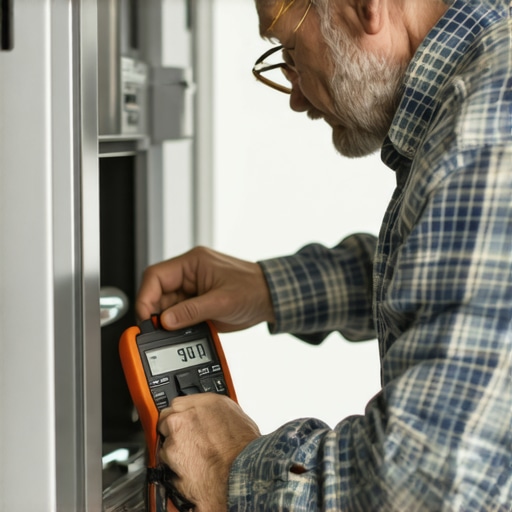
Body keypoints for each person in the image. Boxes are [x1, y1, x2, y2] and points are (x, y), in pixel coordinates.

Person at [136, 0, 512, 509]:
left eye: (290, 50)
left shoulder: (485, 136)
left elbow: (433, 481)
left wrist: (231, 467)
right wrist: (268, 288)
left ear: (365, 7)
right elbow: (470, 286)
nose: (294, 95)